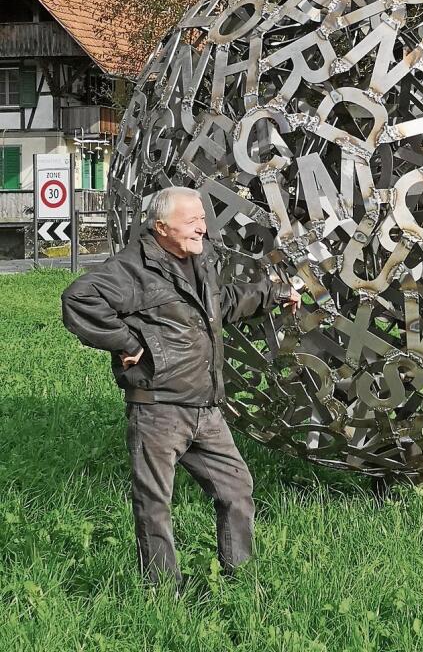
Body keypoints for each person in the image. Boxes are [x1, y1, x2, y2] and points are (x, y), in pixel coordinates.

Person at [61, 186, 300, 589]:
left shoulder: (200, 258)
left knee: (236, 487)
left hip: (205, 406)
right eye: (192, 222)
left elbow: (219, 304)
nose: (202, 229)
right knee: (155, 503)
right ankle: (162, 590)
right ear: (161, 227)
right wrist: (130, 343)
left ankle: (238, 575)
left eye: (203, 220)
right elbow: (78, 300)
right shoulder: (132, 268)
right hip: (158, 407)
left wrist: (274, 292)